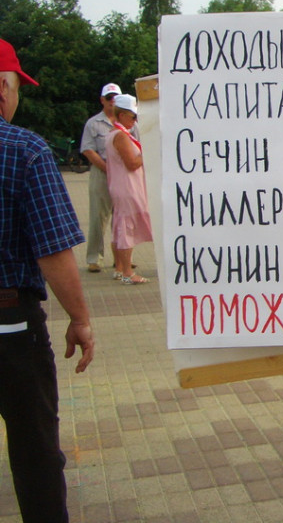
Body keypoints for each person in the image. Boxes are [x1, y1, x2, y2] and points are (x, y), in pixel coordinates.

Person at [0, 38, 96, 522]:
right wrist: (80, 319)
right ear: (3, 88)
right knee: (34, 449)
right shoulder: (25, 151)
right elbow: (54, 251)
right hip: (11, 328)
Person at [80, 83, 138, 273]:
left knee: (123, 218)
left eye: (115, 97)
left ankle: (122, 260)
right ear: (102, 100)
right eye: (109, 98)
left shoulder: (131, 123)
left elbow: (139, 144)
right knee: (98, 216)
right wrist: (107, 169)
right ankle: (94, 258)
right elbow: (88, 150)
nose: (112, 101)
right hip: (102, 171)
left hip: (124, 174)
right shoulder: (93, 123)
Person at [105, 94, 152, 284]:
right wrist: (147, 152)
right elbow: (132, 163)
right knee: (126, 228)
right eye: (133, 117)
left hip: (122, 185)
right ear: (122, 115)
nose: (135, 121)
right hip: (127, 186)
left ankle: (120, 269)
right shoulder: (121, 136)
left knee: (120, 226)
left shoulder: (117, 133)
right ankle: (127, 272)